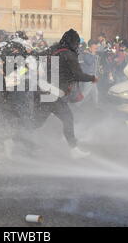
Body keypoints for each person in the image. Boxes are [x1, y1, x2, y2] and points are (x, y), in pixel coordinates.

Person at [17, 29, 98, 159]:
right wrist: (92, 78)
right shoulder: (68, 55)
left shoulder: (54, 49)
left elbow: (37, 56)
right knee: (68, 118)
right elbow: (78, 74)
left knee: (36, 122)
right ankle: (74, 149)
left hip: (43, 91)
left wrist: (29, 52)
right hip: (52, 94)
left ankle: (12, 137)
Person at [79, 39, 101, 107]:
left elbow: (95, 65)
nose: (96, 49)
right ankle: (77, 105)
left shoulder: (91, 54)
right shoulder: (86, 54)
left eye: (96, 48)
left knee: (95, 93)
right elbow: (89, 62)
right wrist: (93, 54)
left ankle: (96, 107)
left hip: (93, 76)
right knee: (85, 92)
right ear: (90, 47)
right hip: (88, 76)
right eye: (95, 48)